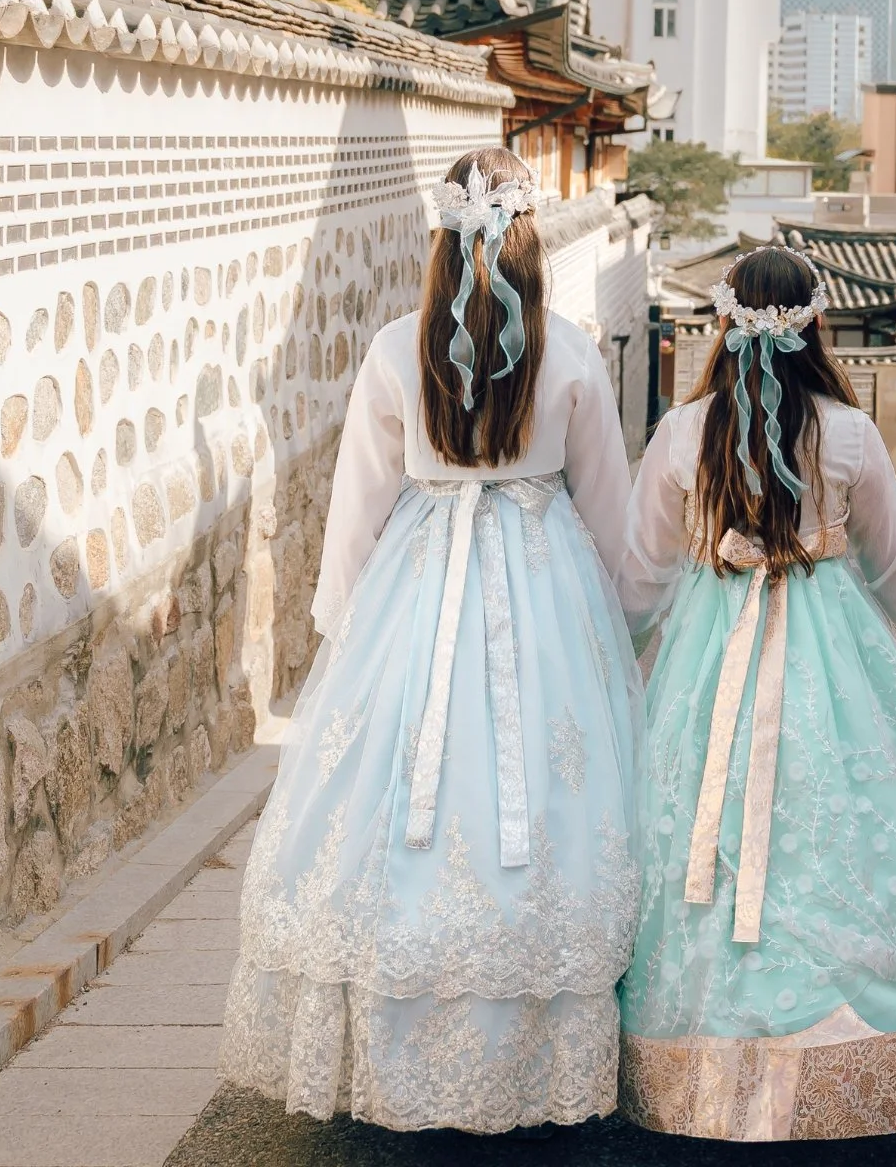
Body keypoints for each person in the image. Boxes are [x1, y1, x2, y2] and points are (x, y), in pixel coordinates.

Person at [219, 147, 643, 1134]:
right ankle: (530, 1048)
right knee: (545, 797)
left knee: (392, 789)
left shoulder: (391, 350)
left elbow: (357, 507)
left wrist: (341, 632)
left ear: (442, 243)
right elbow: (610, 512)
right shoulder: (573, 352)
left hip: (418, 583)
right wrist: (629, 626)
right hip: (546, 581)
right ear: (532, 241)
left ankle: (395, 1044)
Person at [616, 246, 896, 1143]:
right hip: (833, 648)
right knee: (843, 811)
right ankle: (855, 1051)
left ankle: (709, 1057)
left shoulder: (685, 433)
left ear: (722, 324)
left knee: (707, 823)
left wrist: (625, 653)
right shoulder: (848, 430)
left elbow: (644, 572)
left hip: (708, 652)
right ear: (815, 326)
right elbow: (890, 568)